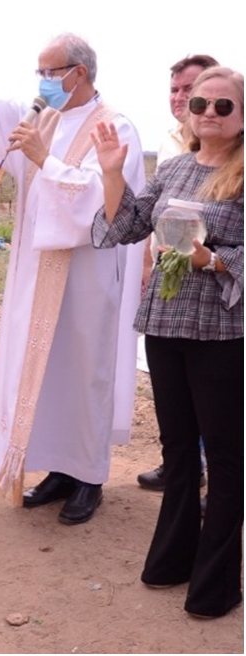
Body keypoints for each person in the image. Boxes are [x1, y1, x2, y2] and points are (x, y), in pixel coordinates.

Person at [0, 30, 145, 524]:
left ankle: (89, 477)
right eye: (39, 71)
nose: (42, 80)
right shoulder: (45, 118)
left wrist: (43, 159)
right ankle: (57, 469)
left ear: (79, 73)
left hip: (87, 277)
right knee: (46, 372)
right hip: (37, 271)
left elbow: (109, 204)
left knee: (83, 371)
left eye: (50, 71)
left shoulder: (115, 126)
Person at [91, 65, 243, 619]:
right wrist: (111, 173)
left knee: (226, 458)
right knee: (178, 450)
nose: (207, 113)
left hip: (223, 332)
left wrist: (215, 258)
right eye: (200, 103)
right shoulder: (175, 168)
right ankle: (174, 559)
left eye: (223, 106)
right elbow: (127, 225)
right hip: (164, 325)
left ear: (242, 115)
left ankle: (217, 582)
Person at [136, 53, 219, 492]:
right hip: (170, 291)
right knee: (177, 402)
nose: (185, 99)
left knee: (213, 402)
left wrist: (215, 260)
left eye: (193, 91)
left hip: (216, 300)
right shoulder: (171, 148)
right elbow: (145, 217)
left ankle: (213, 480)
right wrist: (148, 264)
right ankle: (184, 468)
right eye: (178, 91)